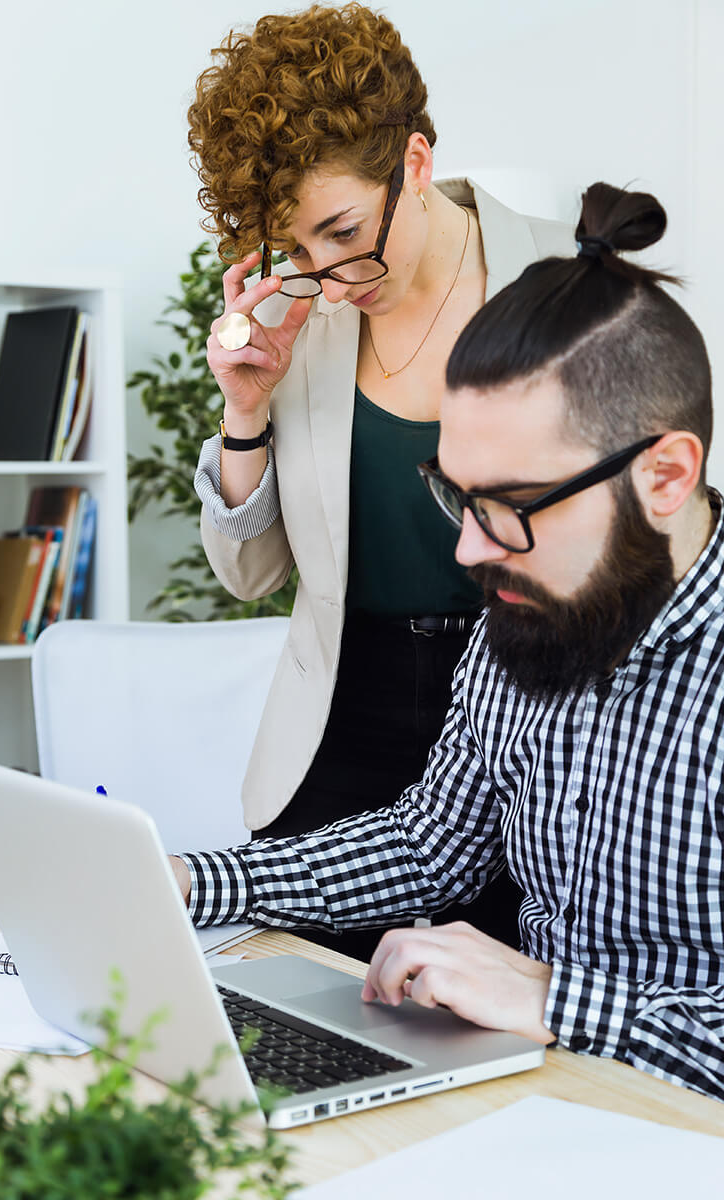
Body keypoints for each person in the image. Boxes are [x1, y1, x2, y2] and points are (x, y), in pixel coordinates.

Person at [172, 179, 724, 1102]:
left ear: (665, 476)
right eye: (456, 494)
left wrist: (558, 998)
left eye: (508, 508)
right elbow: (431, 843)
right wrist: (188, 882)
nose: (467, 549)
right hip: (540, 1103)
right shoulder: (531, 612)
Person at [189, 3, 575, 958]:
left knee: (488, 1044)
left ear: (413, 162)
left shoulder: (567, 279)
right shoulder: (302, 319)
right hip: (338, 726)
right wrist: (247, 409)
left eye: (343, 230)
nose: (329, 272)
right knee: (291, 1030)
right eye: (298, 248)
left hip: (519, 724)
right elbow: (248, 577)